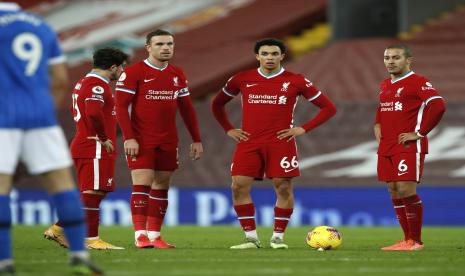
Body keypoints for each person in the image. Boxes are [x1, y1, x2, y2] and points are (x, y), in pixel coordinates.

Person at [0, 2, 102, 274]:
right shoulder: (42, 27)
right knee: (62, 185)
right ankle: (79, 256)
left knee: (1, 189)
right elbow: (59, 79)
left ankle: (4, 261)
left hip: (3, 116)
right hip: (41, 117)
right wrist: (45, 109)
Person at [211, 38, 337, 249]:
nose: (270, 58)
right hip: (249, 142)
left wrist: (302, 128)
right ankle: (251, 238)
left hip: (281, 143)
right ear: (257, 56)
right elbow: (217, 104)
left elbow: (328, 108)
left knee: (283, 187)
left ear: (282, 56)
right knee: (238, 186)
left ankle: (277, 238)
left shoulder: (296, 80)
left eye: (274, 54)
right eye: (265, 54)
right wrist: (229, 129)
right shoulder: (242, 79)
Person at [115, 29, 203, 249]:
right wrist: (129, 138)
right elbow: (120, 106)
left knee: (162, 185)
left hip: (168, 139)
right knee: (142, 182)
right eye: (160, 44)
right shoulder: (134, 72)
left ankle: (155, 235)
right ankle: (140, 235)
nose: (166, 48)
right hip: (141, 139)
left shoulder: (177, 73)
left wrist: (196, 139)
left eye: (170, 44)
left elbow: (187, 109)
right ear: (148, 47)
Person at [44, 48, 129, 250]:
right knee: (93, 191)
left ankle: (58, 229)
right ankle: (91, 239)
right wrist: (103, 137)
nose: (123, 72)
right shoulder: (97, 85)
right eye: (122, 67)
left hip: (87, 142)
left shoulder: (84, 82)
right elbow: (93, 112)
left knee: (95, 192)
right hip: (94, 144)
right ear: (113, 67)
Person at [375, 45, 445, 251]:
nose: (390, 61)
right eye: (387, 57)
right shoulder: (385, 84)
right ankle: (407, 240)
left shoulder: (418, 82)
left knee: (406, 189)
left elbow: (438, 105)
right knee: (394, 190)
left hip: (408, 145)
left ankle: (416, 241)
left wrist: (420, 133)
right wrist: (377, 124)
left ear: (408, 60)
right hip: (387, 145)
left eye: (396, 57)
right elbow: (382, 107)